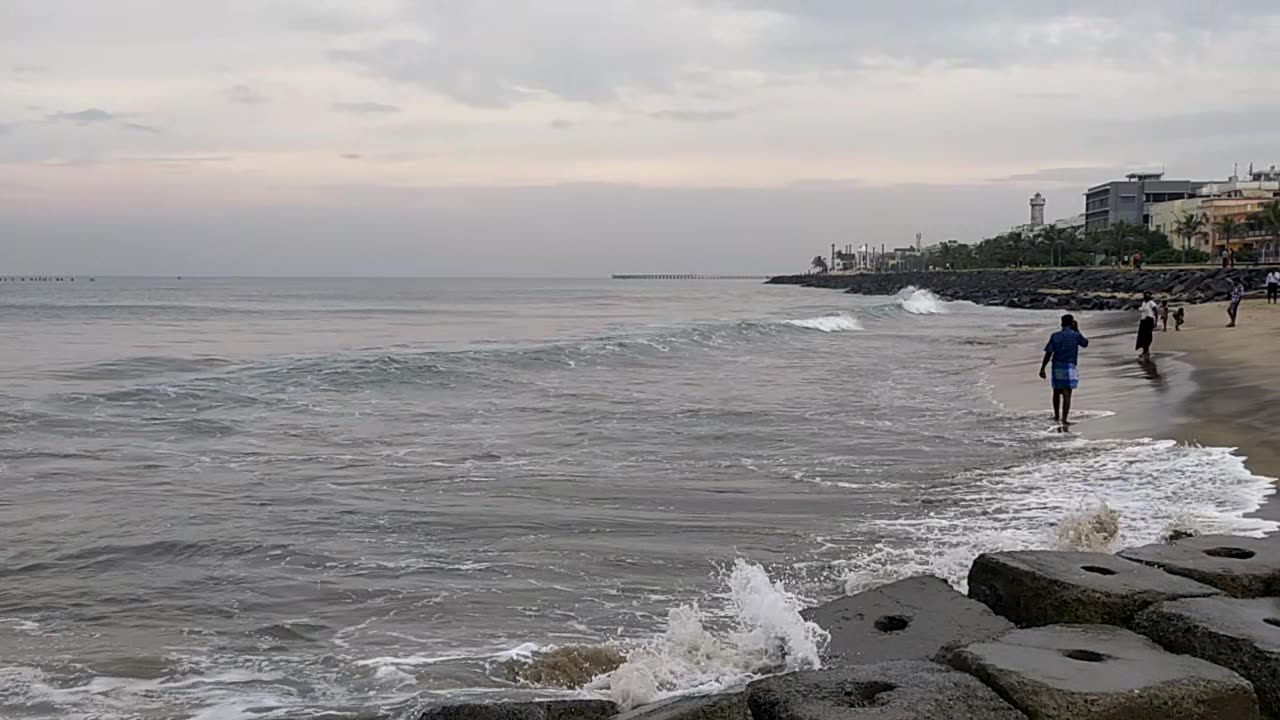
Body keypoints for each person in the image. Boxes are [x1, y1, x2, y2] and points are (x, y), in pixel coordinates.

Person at [1039, 314, 1089, 428]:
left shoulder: (1055, 336)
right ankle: (1064, 419)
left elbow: (1048, 352)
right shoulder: (1075, 335)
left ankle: (1057, 416)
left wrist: (1042, 368)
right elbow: (1085, 343)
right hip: (1070, 367)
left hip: (1057, 366)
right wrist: (1077, 329)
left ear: (1061, 323)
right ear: (1072, 323)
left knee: (1056, 392)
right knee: (1067, 393)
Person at [1136, 291, 1158, 358]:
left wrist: (1156, 321)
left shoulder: (1151, 303)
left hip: (1149, 320)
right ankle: (1145, 351)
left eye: (1148, 295)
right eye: (1145, 295)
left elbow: (1156, 311)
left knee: (1147, 336)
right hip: (1143, 321)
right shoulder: (1143, 303)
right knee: (1141, 337)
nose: (1146, 296)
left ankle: (1146, 351)